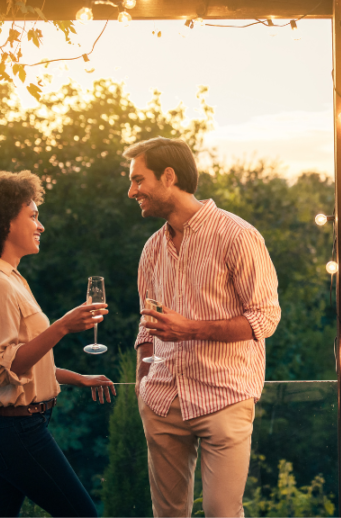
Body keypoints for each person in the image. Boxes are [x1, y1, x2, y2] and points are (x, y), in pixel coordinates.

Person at [126, 137, 282, 518]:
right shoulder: (151, 249)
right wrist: (143, 384)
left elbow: (265, 317)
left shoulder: (238, 235)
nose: (132, 191)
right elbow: (147, 328)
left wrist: (191, 329)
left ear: (168, 176)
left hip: (224, 398)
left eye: (138, 180)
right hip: (162, 401)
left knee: (222, 514)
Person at [0, 170, 117, 518]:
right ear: (4, 222)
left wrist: (79, 379)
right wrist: (61, 327)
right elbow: (2, 369)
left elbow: (26, 362)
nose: (40, 225)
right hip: (14, 430)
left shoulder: (9, 279)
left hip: (13, 427)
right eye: (32, 215)